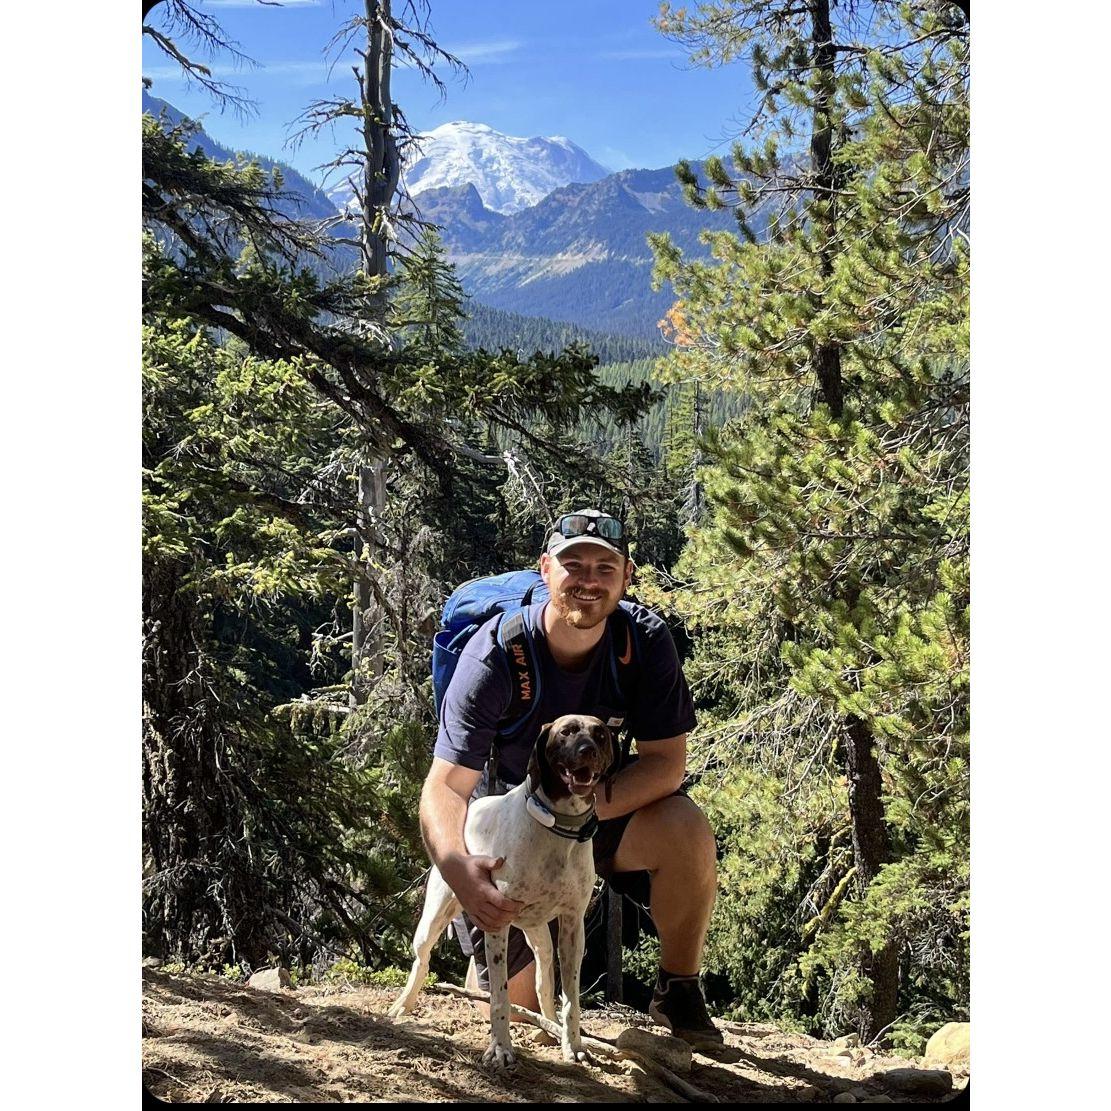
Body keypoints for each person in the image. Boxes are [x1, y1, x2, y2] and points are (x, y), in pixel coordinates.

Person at [419, 508, 722, 1048]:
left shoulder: (643, 642)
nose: (589, 581)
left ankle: (678, 989)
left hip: (600, 808)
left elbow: (666, 764)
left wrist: (579, 811)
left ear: (626, 578)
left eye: (605, 568)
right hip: (512, 825)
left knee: (687, 828)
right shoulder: (497, 653)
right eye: (573, 565)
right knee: (514, 1015)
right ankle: (485, 982)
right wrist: (457, 867)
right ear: (546, 570)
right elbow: (446, 785)